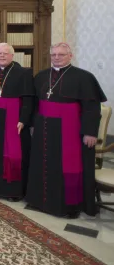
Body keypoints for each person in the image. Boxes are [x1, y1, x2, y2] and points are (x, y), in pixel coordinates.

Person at [26, 43, 107, 218]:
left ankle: (68, 205)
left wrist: (90, 132)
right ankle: (40, 200)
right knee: (43, 163)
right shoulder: (41, 76)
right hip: (44, 129)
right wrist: (33, 125)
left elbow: (92, 108)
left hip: (69, 131)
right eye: (53, 54)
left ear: (70, 56)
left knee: (68, 166)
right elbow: (35, 105)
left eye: (61, 54)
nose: (56, 57)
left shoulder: (84, 77)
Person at [0, 43, 34, 200]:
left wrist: (24, 119)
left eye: (6, 53)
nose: (2, 56)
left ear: (12, 55)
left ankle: (12, 190)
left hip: (14, 118)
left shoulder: (23, 73)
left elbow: (28, 99)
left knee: (13, 154)